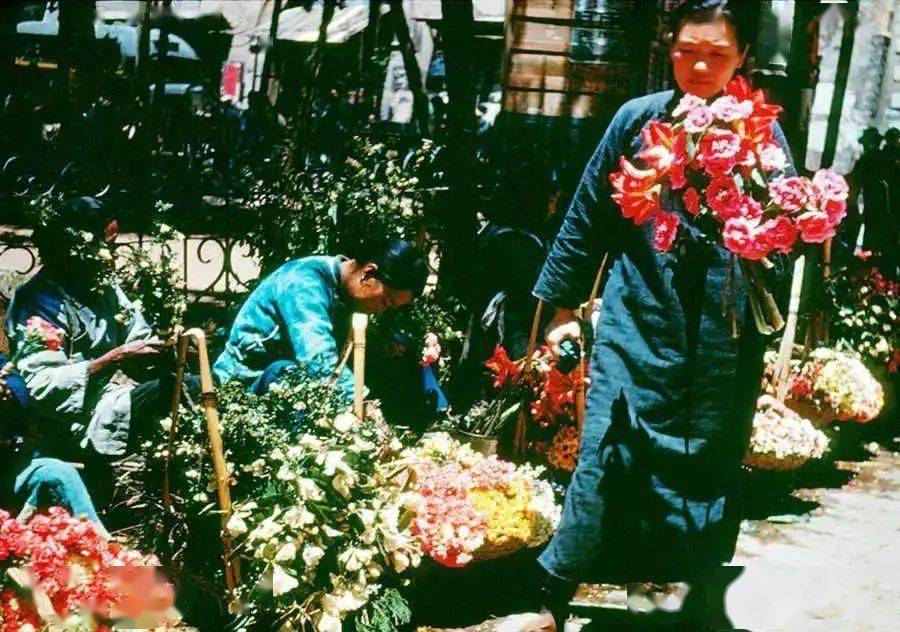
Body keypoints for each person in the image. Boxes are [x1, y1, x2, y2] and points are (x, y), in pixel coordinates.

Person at [533, 1, 791, 627]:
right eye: (686, 51)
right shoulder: (636, 120)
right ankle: (551, 596)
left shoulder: (764, 134)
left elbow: (786, 229)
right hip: (636, 319)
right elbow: (586, 216)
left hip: (720, 337)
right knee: (608, 450)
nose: (699, 64)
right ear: (668, 50)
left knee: (701, 462)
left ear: (743, 59)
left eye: (717, 54)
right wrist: (562, 310)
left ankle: (666, 602)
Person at [5, 197, 183, 522]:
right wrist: (113, 359)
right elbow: (46, 387)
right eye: (108, 245)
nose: (113, 255)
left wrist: (166, 350)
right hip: (70, 420)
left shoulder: (102, 287)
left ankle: (184, 506)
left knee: (194, 387)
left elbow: (135, 333)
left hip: (112, 398)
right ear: (77, 247)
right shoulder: (38, 302)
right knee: (174, 396)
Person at [214, 239, 428, 399]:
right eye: (386, 300)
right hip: (243, 386)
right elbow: (317, 358)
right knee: (286, 372)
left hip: (285, 384)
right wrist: (359, 404)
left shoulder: (344, 293)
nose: (382, 310)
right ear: (368, 274)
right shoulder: (304, 282)